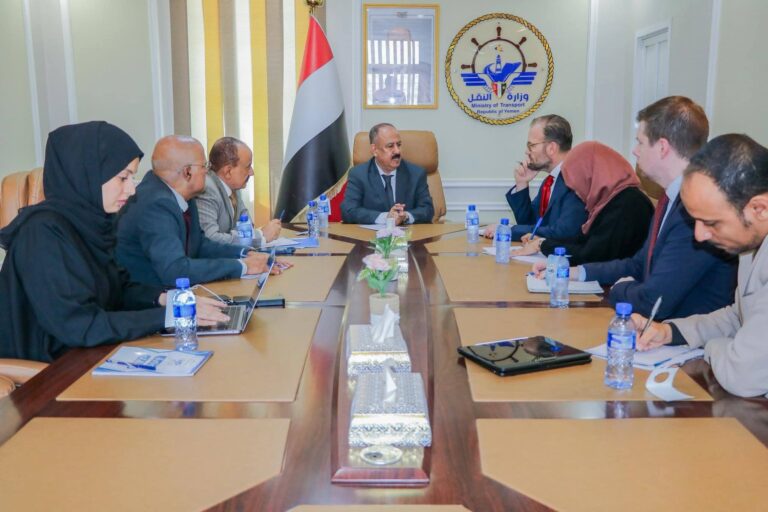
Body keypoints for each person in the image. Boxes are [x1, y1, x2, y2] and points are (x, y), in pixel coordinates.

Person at [0, 122, 227, 362]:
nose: (131, 190)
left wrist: (168, 299)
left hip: (91, 353)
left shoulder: (91, 224)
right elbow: (81, 326)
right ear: (88, 176)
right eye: (123, 178)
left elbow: (119, 289)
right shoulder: (42, 233)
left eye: (132, 178)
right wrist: (170, 316)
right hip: (52, 369)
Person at [534, 96, 736, 319]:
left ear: (662, 147)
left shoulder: (696, 210)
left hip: (681, 334)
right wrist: (576, 272)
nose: (635, 151)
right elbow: (638, 265)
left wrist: (619, 289)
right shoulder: (671, 198)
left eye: (640, 142)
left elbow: (653, 301)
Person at [634, 134, 768, 398]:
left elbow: (742, 375)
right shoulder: (750, 240)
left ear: (759, 209)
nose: (699, 235)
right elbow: (739, 315)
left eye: (711, 223)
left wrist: (715, 347)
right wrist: (670, 331)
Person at [116, 135, 290, 287]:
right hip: (148, 303)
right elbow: (175, 270)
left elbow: (201, 245)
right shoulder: (156, 204)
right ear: (187, 172)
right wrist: (243, 266)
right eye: (204, 166)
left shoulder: (183, 196)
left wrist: (248, 254)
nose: (208, 171)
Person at [515, 141, 653, 265]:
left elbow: (591, 254)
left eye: (579, 184)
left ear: (593, 175)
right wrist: (542, 242)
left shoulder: (627, 204)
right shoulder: (606, 201)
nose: (578, 192)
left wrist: (542, 245)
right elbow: (584, 242)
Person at [484, 114, 587, 241]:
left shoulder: (576, 180)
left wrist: (509, 230)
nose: (527, 152)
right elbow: (530, 223)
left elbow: (563, 232)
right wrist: (522, 183)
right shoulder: (549, 182)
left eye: (531, 145)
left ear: (551, 148)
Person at [341, 123, 434, 225]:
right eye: (390, 146)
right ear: (374, 150)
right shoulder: (359, 174)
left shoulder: (416, 174)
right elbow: (348, 211)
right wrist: (385, 217)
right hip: (371, 234)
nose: (397, 151)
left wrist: (405, 216)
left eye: (399, 145)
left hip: (408, 234)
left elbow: (428, 210)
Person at [197, 136, 281, 247]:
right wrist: (261, 235)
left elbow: (247, 226)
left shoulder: (233, 186)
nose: (252, 172)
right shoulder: (207, 189)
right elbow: (211, 239)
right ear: (228, 172)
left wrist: (252, 235)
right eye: (248, 166)